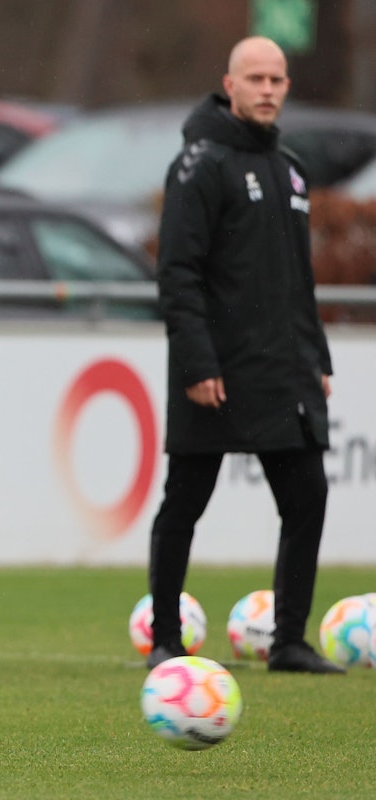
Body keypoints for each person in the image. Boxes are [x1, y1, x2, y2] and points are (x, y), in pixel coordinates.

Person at [147, 36, 343, 674]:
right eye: (254, 78)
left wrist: (316, 356)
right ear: (228, 85)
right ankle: (166, 641)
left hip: (282, 371)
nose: (267, 89)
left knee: (307, 495)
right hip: (218, 371)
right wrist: (200, 364)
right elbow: (178, 275)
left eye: (277, 79)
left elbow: (298, 278)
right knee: (185, 501)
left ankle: (289, 640)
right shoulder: (198, 164)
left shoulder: (288, 167)